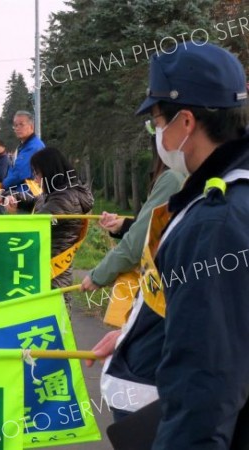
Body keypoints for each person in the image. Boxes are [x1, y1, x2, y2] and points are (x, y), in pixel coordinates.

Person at [86, 42, 249, 449]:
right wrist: (131, 337)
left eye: (156, 121)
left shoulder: (217, 221)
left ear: (187, 122)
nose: (155, 134)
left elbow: (205, 384)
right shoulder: (220, 193)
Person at [80, 137, 185, 296]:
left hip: (169, 286)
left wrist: (100, 275)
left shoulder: (173, 178)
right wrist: (124, 225)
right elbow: (164, 225)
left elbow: (141, 238)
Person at [4, 147, 93, 304]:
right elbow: (37, 200)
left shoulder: (65, 198)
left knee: (56, 321)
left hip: (53, 273)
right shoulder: (58, 191)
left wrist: (12, 215)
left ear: (50, 171)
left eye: (37, 173)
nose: (35, 179)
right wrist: (15, 198)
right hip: (46, 268)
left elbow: (37, 225)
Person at [0, 111, 44, 194]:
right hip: (22, 194)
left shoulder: (33, 146)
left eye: (21, 124)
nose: (17, 128)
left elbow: (20, 173)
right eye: (15, 125)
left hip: (29, 195)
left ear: (31, 126)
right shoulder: (23, 146)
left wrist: (3, 185)